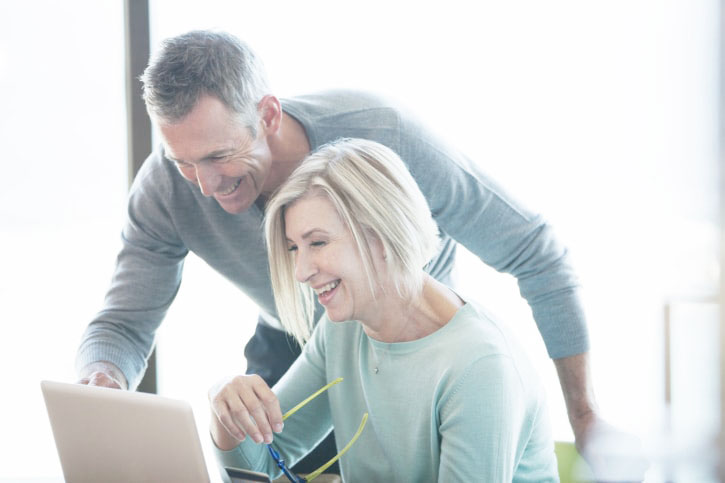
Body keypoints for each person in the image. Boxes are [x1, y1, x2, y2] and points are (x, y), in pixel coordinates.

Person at [74, 29, 617, 475]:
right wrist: (116, 391)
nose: (204, 186)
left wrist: (585, 414)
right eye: (184, 161)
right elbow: (125, 326)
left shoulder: (385, 138)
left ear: (266, 115)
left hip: (415, 326)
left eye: (219, 156)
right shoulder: (171, 189)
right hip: (323, 328)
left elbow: (535, 253)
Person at [209, 138, 559, 481]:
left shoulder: (479, 366)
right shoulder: (342, 330)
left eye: (317, 242)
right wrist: (226, 408)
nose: (301, 272)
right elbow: (262, 464)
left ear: (381, 235)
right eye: (294, 249)